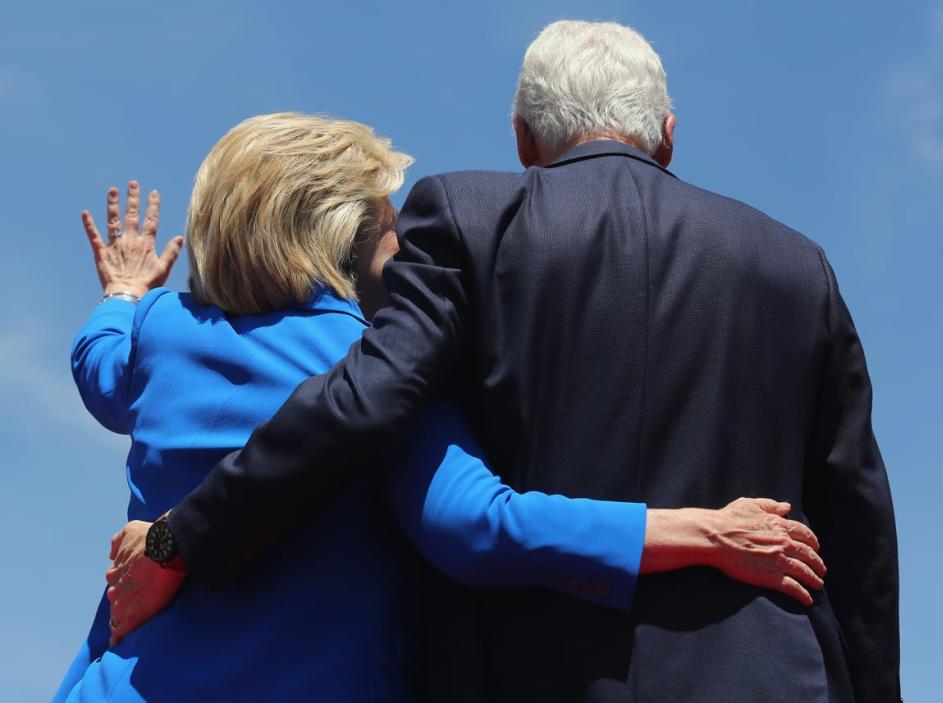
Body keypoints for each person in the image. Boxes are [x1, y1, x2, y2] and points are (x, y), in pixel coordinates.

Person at [108, 20, 899, 703]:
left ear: (522, 137)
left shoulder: (467, 220)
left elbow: (368, 399)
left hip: (527, 671)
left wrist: (186, 536)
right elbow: (858, 525)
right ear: (668, 130)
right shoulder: (798, 265)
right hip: (766, 673)